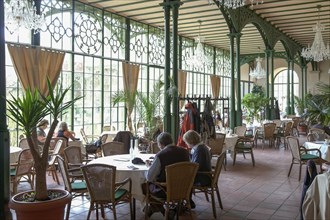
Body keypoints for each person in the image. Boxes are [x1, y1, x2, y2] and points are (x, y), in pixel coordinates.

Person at [145, 132, 190, 217]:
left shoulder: (160, 156)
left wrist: (148, 167)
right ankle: (156, 209)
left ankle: (162, 211)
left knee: (145, 185)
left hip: (166, 190)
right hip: (184, 188)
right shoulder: (185, 152)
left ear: (161, 144)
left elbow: (149, 177)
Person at [183, 130, 212, 209]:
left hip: (203, 178)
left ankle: (187, 201)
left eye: (186, 141)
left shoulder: (199, 150)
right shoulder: (201, 147)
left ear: (191, 141)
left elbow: (195, 167)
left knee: (181, 180)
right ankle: (187, 200)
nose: (186, 143)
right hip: (205, 174)